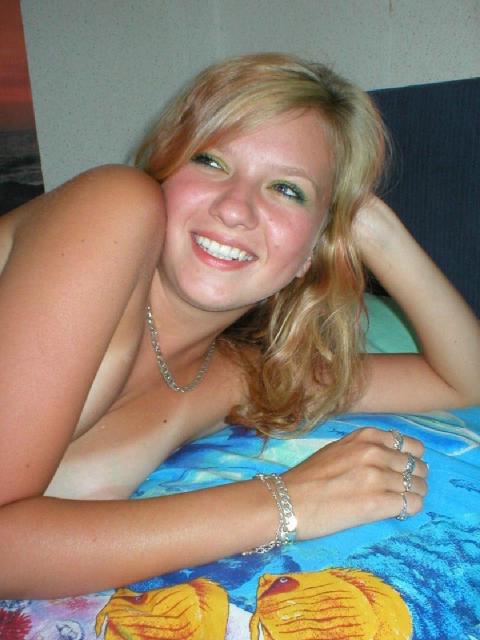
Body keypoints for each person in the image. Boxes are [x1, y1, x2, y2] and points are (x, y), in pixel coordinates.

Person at [0, 52, 478, 599]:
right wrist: (288, 501)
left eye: (287, 190)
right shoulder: (111, 206)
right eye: (210, 161)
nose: (234, 208)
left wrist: (372, 229)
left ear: (311, 253)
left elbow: (464, 380)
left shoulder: (233, 374)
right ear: (163, 175)